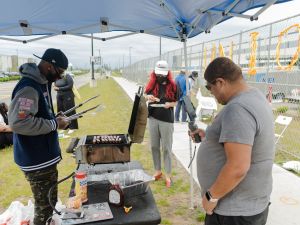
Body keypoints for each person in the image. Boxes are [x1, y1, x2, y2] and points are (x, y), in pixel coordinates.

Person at [189, 57, 274, 225]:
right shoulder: (255, 96)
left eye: (209, 87)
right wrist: (211, 137)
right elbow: (247, 140)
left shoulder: (238, 108)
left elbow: (238, 167)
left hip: (234, 213)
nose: (211, 93)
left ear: (220, 82)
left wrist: (211, 196)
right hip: (249, 206)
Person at [8, 48, 70, 225]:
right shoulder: (29, 87)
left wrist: (53, 118)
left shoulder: (41, 82)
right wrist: (54, 124)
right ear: (50, 66)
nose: (60, 77)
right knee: (44, 208)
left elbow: (37, 114)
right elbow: (19, 122)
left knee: (48, 204)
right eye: (60, 72)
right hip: (36, 159)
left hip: (42, 156)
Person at [144, 60, 178, 188]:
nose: (160, 76)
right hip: (153, 117)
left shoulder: (173, 85)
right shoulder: (152, 83)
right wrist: (148, 97)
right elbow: (145, 94)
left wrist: (169, 104)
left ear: (167, 73)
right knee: (154, 146)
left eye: (162, 74)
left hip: (166, 120)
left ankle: (168, 174)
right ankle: (158, 170)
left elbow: (176, 101)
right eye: (158, 74)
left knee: (166, 148)